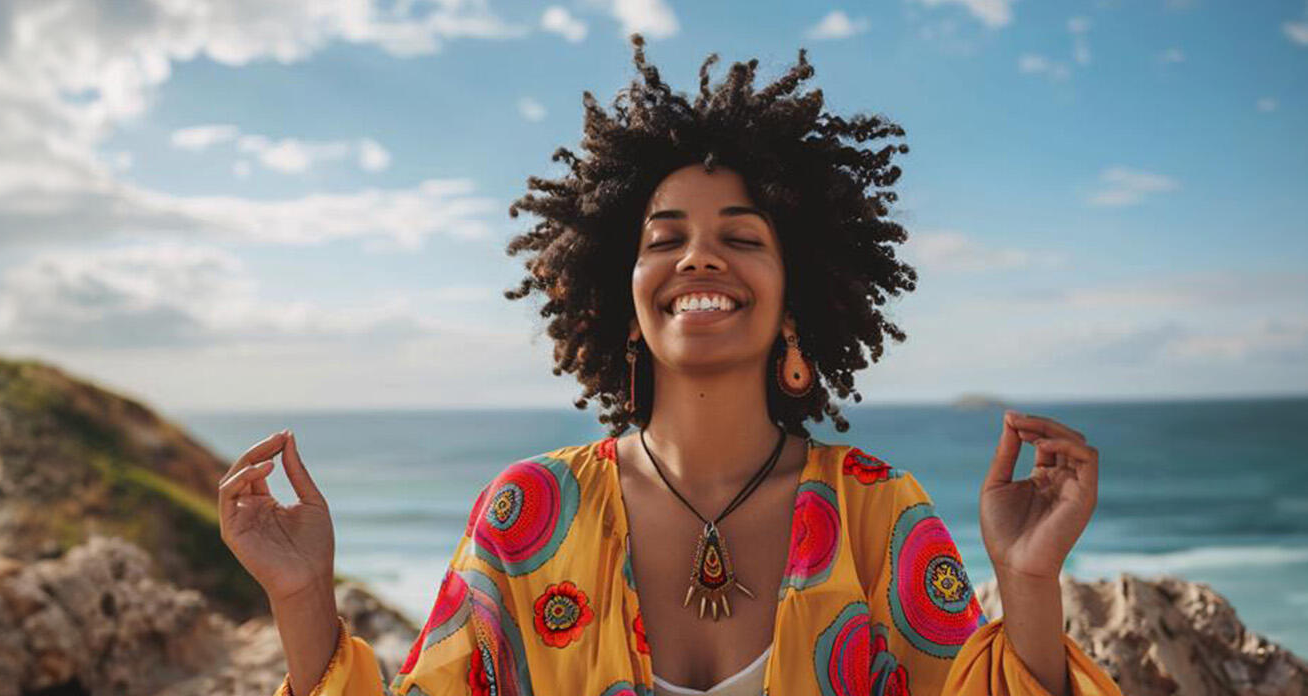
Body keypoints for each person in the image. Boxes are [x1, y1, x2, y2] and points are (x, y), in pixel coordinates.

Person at [215, 37, 1124, 696]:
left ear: (796, 295)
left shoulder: (877, 513)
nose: (699, 259)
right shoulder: (528, 515)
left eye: (741, 237)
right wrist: (302, 601)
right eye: (666, 239)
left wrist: (1029, 583)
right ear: (621, 292)